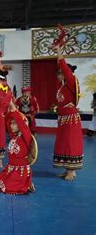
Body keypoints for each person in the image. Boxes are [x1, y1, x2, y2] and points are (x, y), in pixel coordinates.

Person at [52, 45, 84, 180]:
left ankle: (71, 171)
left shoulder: (71, 81)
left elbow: (64, 67)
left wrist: (59, 52)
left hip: (70, 119)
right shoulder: (63, 87)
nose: (58, 75)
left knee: (70, 143)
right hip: (64, 118)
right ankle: (68, 170)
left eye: (60, 73)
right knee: (64, 143)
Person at [0, 100, 36, 194]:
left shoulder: (26, 136)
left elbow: (22, 124)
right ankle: (26, 184)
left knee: (7, 188)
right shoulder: (14, 136)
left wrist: (13, 108)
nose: (11, 126)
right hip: (10, 170)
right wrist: (9, 108)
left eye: (14, 123)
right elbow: (7, 121)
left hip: (20, 172)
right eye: (11, 123)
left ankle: (26, 183)